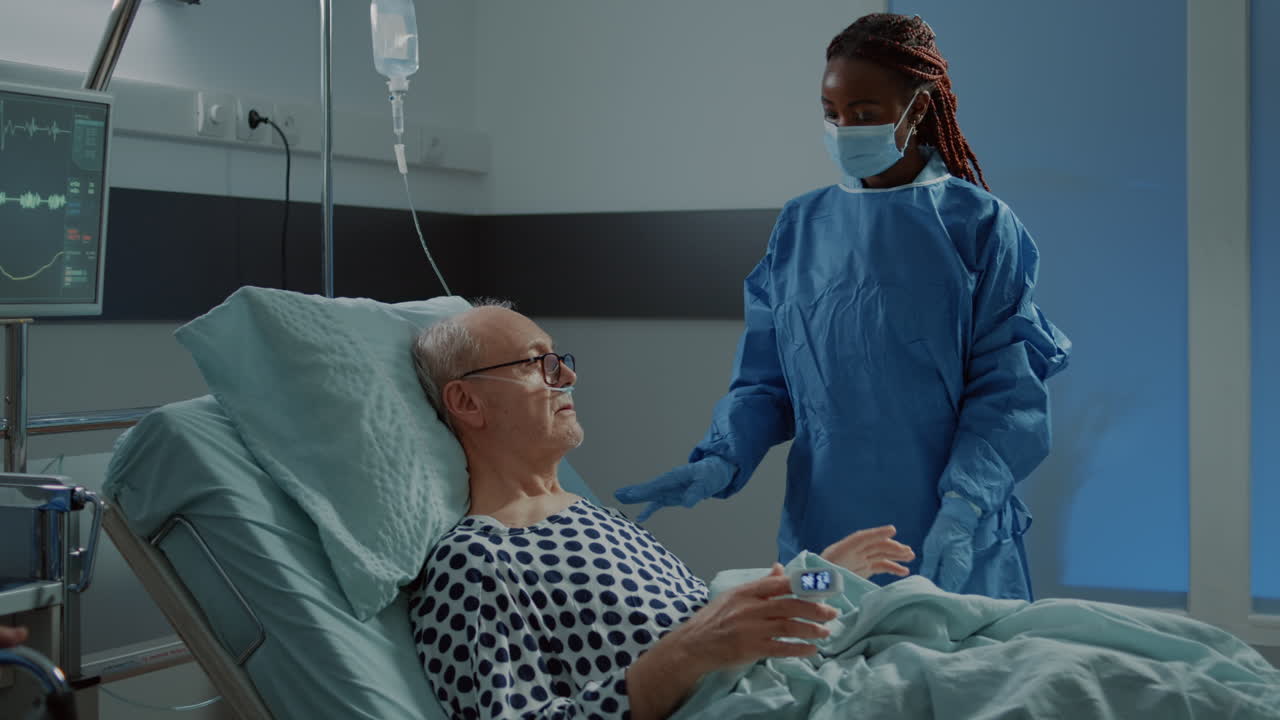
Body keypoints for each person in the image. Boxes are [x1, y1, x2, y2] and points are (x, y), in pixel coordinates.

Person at [615, 12, 1071, 601]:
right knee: (824, 671)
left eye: (864, 114)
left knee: (962, 678)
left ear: (919, 108)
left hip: (951, 532)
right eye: (832, 114)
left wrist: (964, 506)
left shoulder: (977, 225)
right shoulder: (801, 226)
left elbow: (1007, 389)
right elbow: (766, 377)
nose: (844, 129)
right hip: (824, 538)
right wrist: (722, 460)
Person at [408, 303, 916, 720]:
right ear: (467, 402)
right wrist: (684, 656)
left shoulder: (594, 517)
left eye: (557, 357)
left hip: (817, 678)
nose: (567, 374)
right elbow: (703, 638)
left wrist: (826, 577)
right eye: (533, 362)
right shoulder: (475, 560)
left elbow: (725, 616)